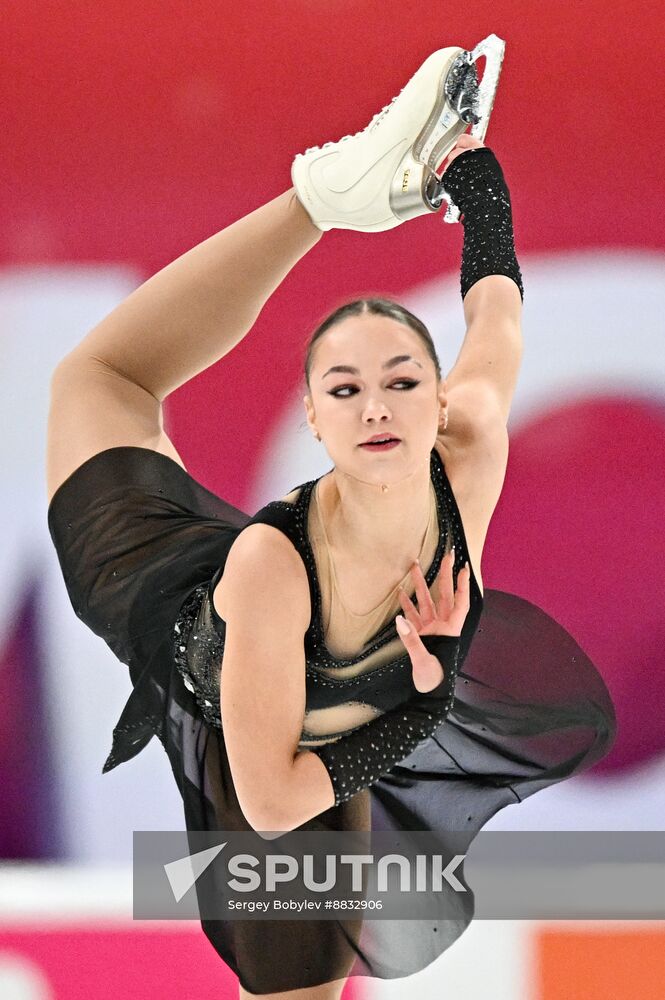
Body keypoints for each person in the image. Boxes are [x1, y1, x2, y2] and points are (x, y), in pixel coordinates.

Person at [46, 46, 616, 999]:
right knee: (101, 380)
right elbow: (268, 799)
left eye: (401, 383)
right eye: (345, 390)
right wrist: (420, 708)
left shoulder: (466, 453)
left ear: (439, 403)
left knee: (303, 987)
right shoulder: (271, 563)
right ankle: (320, 195)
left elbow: (498, 318)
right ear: (313, 419)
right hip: (200, 642)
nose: (376, 408)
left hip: (314, 749)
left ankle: (337, 194)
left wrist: (474, 178)